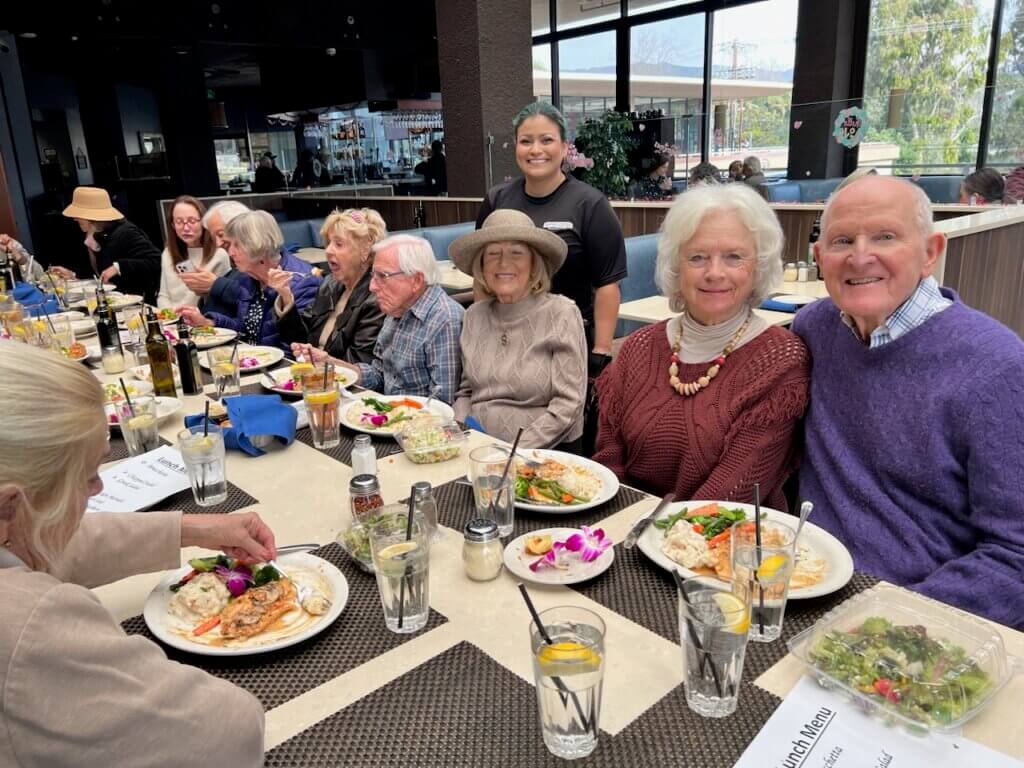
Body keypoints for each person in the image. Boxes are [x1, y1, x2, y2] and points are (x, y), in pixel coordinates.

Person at [0, 342, 272, 765]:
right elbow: (227, 730)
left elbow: (51, 541)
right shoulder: (27, 623)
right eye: (88, 476)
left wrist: (193, 528)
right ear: (8, 506)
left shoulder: (12, 530)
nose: (99, 490)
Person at [795, 175, 1024, 629]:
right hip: (800, 587)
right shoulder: (812, 329)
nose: (860, 256)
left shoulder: (998, 366)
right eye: (842, 240)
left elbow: (1015, 554)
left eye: (885, 236)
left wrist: (887, 623)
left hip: (918, 615)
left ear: (930, 252)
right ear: (820, 258)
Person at [594, 184, 810, 508]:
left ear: (758, 266)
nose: (714, 273)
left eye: (734, 257)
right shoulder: (638, 347)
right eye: (697, 257)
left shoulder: (780, 361)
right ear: (676, 266)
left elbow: (732, 493)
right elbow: (608, 458)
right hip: (626, 530)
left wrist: (651, 536)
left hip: (723, 544)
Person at [476, 102, 626, 375]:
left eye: (547, 140)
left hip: (567, 341)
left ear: (565, 146)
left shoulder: (590, 205)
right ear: (515, 145)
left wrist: (601, 352)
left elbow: (608, 285)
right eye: (526, 141)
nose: (536, 150)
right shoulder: (497, 200)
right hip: (506, 337)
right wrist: (481, 334)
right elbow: (483, 276)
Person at [449, 209, 586, 449]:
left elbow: (569, 405)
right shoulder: (474, 315)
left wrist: (510, 453)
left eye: (516, 253)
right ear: (482, 264)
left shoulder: (562, 313)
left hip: (544, 455)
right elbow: (466, 392)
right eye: (493, 253)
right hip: (476, 449)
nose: (503, 263)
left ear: (534, 263)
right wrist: (457, 433)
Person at [324, 234, 463, 403]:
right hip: (389, 414)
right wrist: (335, 366)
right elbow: (381, 373)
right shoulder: (397, 307)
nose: (372, 286)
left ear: (416, 280)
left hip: (418, 423)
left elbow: (442, 403)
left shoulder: (444, 320)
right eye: (373, 275)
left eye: (382, 276)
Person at [177, 210, 320, 352]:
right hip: (252, 360)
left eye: (236, 245)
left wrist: (285, 298)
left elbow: (299, 345)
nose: (230, 252)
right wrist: (207, 322)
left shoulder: (303, 282)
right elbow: (245, 328)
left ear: (256, 245)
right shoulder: (248, 278)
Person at [282, 207, 387, 366]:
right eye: (328, 242)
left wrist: (323, 361)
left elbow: (360, 364)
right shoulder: (330, 283)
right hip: (314, 376)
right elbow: (301, 337)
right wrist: (286, 297)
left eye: (338, 244)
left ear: (365, 251)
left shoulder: (376, 299)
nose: (328, 250)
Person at [61, 186, 162, 304]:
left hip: (138, 304)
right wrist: (73, 274)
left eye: (78, 215)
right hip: (113, 301)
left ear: (91, 216)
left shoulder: (126, 232)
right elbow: (101, 273)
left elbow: (157, 261)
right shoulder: (95, 234)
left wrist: (119, 267)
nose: (74, 219)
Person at [156, 195, 230, 308]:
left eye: (191, 221)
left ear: (203, 222)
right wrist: (170, 316)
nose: (185, 228)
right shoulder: (168, 253)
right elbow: (163, 295)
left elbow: (223, 299)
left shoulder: (219, 254)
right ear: (172, 225)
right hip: (173, 321)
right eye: (179, 222)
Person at [179, 200, 250, 316]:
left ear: (241, 227)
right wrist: (207, 292)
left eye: (221, 234)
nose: (218, 243)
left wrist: (214, 285)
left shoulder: (262, 259)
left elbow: (255, 299)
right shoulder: (235, 260)